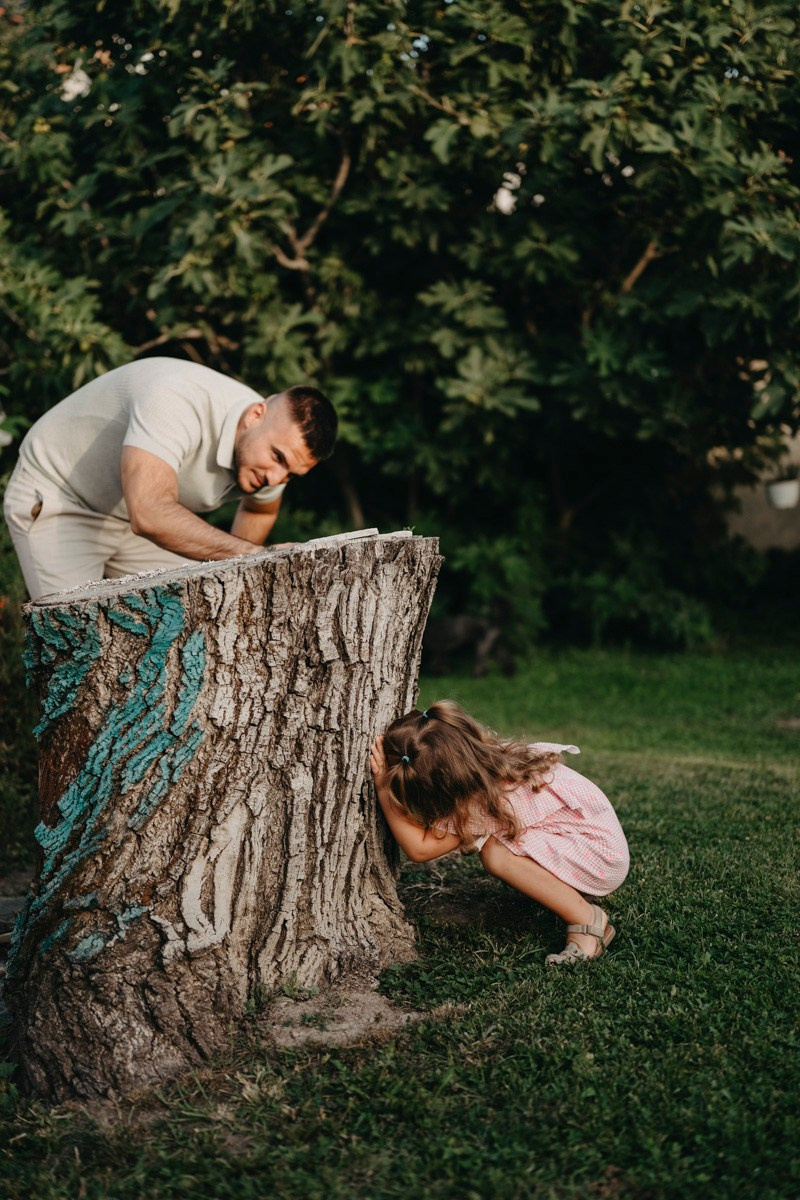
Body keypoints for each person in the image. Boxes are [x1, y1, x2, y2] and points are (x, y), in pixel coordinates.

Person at [2, 357, 337, 599]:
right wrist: (253, 556)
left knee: (197, 609)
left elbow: (258, 510)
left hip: (129, 518)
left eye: (292, 475)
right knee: (78, 650)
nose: (276, 478)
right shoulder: (177, 398)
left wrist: (238, 574)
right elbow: (150, 514)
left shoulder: (269, 451)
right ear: (255, 415)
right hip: (61, 498)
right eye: (277, 458)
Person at [370, 699, 629, 966]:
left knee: (497, 854)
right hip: (598, 843)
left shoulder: (481, 802)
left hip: (600, 859)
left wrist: (382, 790)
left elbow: (420, 849)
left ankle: (587, 919)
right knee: (499, 847)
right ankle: (569, 895)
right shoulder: (495, 761)